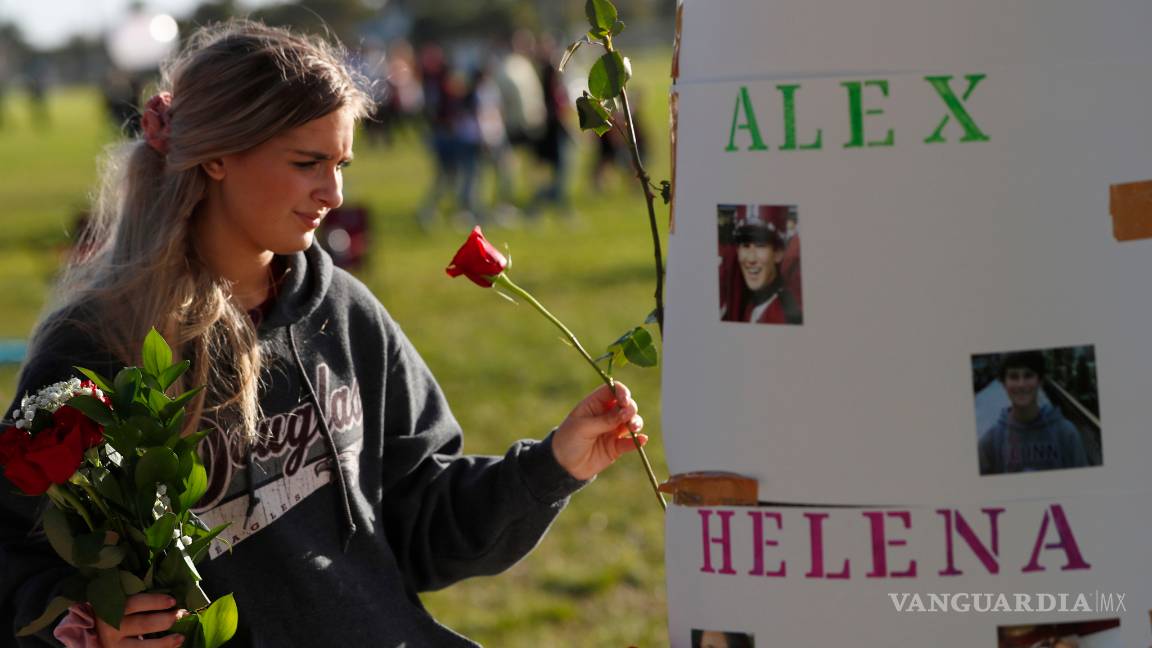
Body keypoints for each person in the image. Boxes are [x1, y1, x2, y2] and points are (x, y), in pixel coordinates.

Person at [0, 21, 647, 647]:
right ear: (219, 156)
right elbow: (18, 557)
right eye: (308, 162)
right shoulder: (94, 346)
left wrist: (554, 463)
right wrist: (84, 625)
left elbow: (421, 526)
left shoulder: (341, 310)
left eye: (341, 162)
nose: (333, 193)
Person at [977, 351, 1089, 475]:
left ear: (1040, 381)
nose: (1021, 384)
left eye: (1028, 375)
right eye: (1014, 376)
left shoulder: (1067, 435)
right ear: (1004, 384)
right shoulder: (989, 443)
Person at [718, 206, 802, 324]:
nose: (751, 258)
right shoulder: (751, 302)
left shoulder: (785, 316)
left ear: (778, 253)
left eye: (760, 245)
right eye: (745, 245)